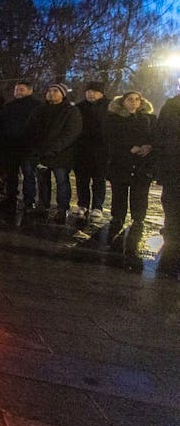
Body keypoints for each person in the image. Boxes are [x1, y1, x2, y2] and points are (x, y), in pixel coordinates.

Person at [105, 92, 156, 259]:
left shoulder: (149, 118)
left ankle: (138, 219)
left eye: (137, 99)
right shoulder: (114, 118)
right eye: (129, 99)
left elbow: (156, 136)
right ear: (122, 102)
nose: (133, 102)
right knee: (120, 192)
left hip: (142, 163)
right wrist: (128, 147)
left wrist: (148, 146)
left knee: (140, 193)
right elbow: (110, 138)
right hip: (121, 162)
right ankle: (118, 217)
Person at [29, 83, 82, 224]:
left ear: (63, 94)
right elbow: (32, 130)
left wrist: (54, 148)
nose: (51, 93)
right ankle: (43, 205)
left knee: (62, 181)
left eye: (55, 91)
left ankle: (62, 208)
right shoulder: (39, 110)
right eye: (49, 90)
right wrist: (36, 148)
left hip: (61, 154)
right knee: (42, 181)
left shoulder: (70, 111)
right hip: (41, 153)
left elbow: (71, 132)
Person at [0, 81, 42, 209]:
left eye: (21, 89)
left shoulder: (37, 106)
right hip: (10, 146)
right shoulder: (9, 106)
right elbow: (0, 124)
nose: (18, 92)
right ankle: (11, 197)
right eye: (16, 90)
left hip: (28, 146)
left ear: (30, 91)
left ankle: (29, 200)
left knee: (28, 174)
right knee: (11, 174)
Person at [73, 81, 110, 221]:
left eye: (94, 91)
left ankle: (97, 207)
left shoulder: (109, 107)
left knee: (99, 180)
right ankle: (83, 204)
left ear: (101, 93)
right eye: (88, 91)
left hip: (102, 150)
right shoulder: (79, 107)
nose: (90, 94)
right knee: (82, 179)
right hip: (82, 149)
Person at [155, 93, 180, 278]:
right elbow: (160, 133)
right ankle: (172, 239)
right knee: (171, 203)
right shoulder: (171, 105)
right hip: (173, 165)